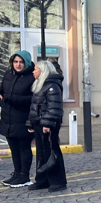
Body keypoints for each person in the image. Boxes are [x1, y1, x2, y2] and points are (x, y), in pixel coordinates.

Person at [0, 51, 34, 187]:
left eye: (21, 62)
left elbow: (32, 99)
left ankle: (24, 176)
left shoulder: (32, 77)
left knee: (23, 148)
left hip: (23, 119)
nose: (18, 64)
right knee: (14, 149)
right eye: (16, 62)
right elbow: (2, 89)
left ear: (26, 63)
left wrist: (12, 99)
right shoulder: (9, 74)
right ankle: (16, 174)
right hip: (8, 119)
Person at [28, 60, 67, 193]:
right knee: (41, 153)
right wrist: (31, 123)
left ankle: (58, 181)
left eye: (36, 69)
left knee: (52, 151)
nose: (33, 71)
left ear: (43, 71)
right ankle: (42, 180)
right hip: (39, 123)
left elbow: (54, 107)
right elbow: (34, 107)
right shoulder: (40, 84)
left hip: (48, 125)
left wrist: (47, 124)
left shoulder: (52, 86)